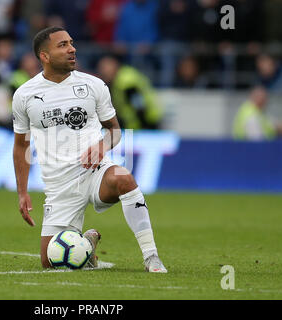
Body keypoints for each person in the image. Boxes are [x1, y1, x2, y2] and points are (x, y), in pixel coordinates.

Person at [12, 26, 167, 272]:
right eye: (62, 45)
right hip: (59, 185)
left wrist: (102, 146)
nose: (72, 49)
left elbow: (115, 130)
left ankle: (151, 257)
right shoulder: (24, 95)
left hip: (94, 171)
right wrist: (22, 192)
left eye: (71, 43)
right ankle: (88, 244)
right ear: (45, 56)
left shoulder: (93, 85)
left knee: (124, 179)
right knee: (49, 262)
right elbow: (21, 145)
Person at [97, 55, 163, 129]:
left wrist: (144, 128)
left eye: (104, 68)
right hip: (134, 126)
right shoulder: (118, 79)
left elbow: (139, 106)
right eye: (100, 68)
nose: (102, 71)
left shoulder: (127, 82)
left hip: (145, 125)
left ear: (115, 65)